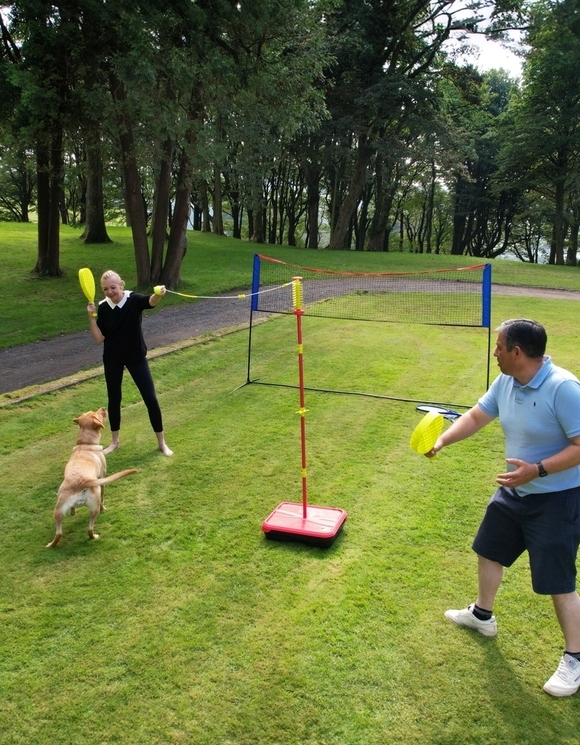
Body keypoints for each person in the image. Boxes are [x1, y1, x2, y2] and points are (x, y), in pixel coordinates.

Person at [427, 318, 580, 697]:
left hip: (558, 498)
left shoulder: (564, 388)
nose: (494, 352)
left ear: (517, 352)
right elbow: (477, 415)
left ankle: (576, 658)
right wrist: (443, 440)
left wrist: (538, 470)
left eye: (499, 347)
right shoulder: (506, 381)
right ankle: (482, 615)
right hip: (516, 491)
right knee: (489, 549)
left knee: (558, 582)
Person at [86, 270, 173, 456]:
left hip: (136, 357)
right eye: (105, 289)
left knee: (150, 398)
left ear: (121, 285)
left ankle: (162, 443)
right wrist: (91, 317)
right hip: (113, 359)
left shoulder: (133, 299)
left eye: (113, 287)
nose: (109, 291)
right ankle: (114, 442)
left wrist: (158, 294)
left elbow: (150, 302)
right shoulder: (103, 307)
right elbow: (99, 338)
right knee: (114, 399)